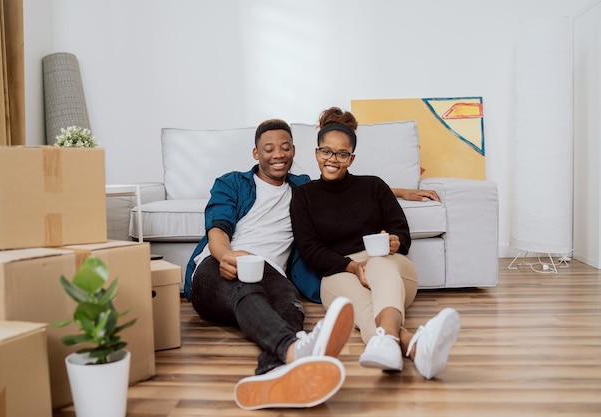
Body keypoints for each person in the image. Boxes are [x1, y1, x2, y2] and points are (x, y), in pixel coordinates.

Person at [184, 118, 355, 410]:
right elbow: (218, 227)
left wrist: (398, 193)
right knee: (246, 289)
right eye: (269, 148)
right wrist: (224, 254)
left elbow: (348, 191)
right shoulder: (232, 182)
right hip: (216, 266)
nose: (278, 154)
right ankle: (294, 349)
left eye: (285, 148)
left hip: (271, 272)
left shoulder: (302, 188)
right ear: (256, 153)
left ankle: (271, 376)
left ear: (294, 151)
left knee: (291, 310)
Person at [290, 107, 460, 380]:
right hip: (338, 273)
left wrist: (394, 241)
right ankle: (414, 346)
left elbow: (401, 232)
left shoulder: (374, 186)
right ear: (316, 153)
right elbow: (310, 250)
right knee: (366, 311)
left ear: (352, 158)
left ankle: (395, 343)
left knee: (378, 263)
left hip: (390, 269)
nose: (333, 159)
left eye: (342, 154)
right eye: (326, 151)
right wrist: (351, 267)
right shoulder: (304, 196)